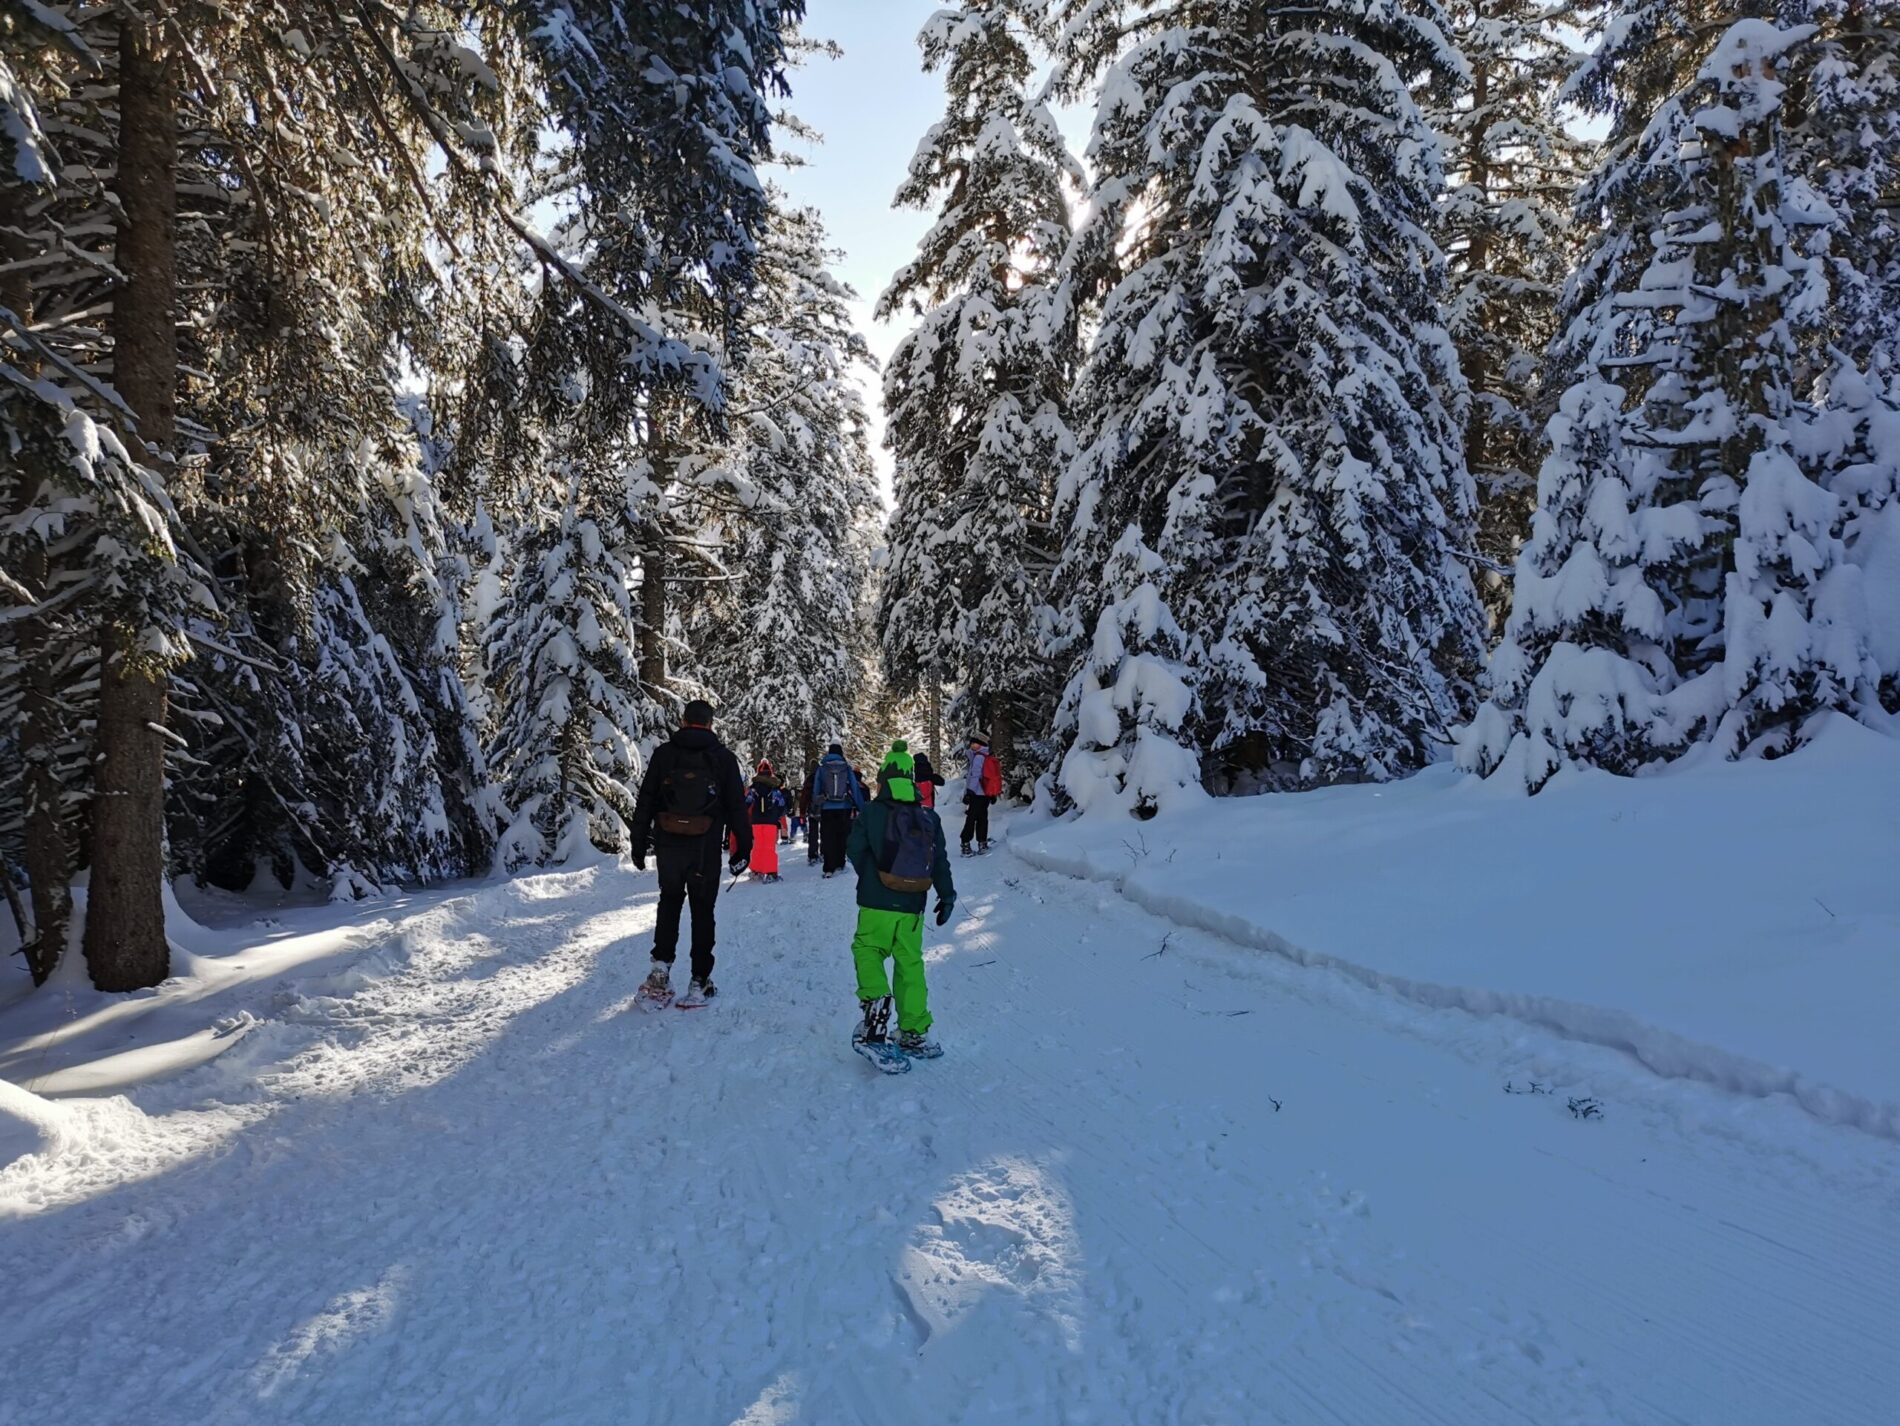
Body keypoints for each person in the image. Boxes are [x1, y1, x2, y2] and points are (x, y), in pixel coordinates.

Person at [629, 700, 750, 1004]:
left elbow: (646, 801)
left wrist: (639, 843)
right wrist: (743, 848)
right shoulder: (723, 759)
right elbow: (737, 807)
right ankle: (699, 979)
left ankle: (660, 970)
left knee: (669, 902)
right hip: (704, 849)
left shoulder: (664, 755)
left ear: (683, 721)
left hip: (669, 846)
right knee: (702, 911)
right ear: (710, 724)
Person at [846, 740, 956, 1061]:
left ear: (883, 778)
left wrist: (870, 875)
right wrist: (946, 896)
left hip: (876, 901)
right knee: (910, 962)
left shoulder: (871, 813)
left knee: (868, 949)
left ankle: (877, 1003)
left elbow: (854, 849)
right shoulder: (928, 818)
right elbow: (940, 861)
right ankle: (914, 1032)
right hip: (913, 905)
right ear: (910, 779)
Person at [807, 743, 866, 877]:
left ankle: (828, 867)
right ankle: (840, 863)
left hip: (827, 807)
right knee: (842, 835)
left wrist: (816, 804)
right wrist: (861, 806)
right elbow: (854, 788)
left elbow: (816, 789)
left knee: (827, 836)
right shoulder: (846, 768)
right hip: (844, 806)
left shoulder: (822, 769)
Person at [744, 760, 789, 882]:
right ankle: (770, 872)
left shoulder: (753, 788)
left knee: (758, 845)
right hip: (770, 821)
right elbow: (782, 805)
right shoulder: (774, 788)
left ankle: (755, 870)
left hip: (756, 821)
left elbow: (746, 803)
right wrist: (777, 816)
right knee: (769, 847)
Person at [960, 732, 1002, 855]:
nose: (973, 746)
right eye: (972, 743)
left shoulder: (979, 757)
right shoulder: (986, 755)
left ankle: (965, 844)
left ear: (981, 745)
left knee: (971, 818)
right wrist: (992, 794)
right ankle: (982, 843)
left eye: (976, 744)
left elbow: (975, 776)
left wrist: (969, 792)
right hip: (986, 793)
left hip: (977, 793)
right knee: (983, 818)